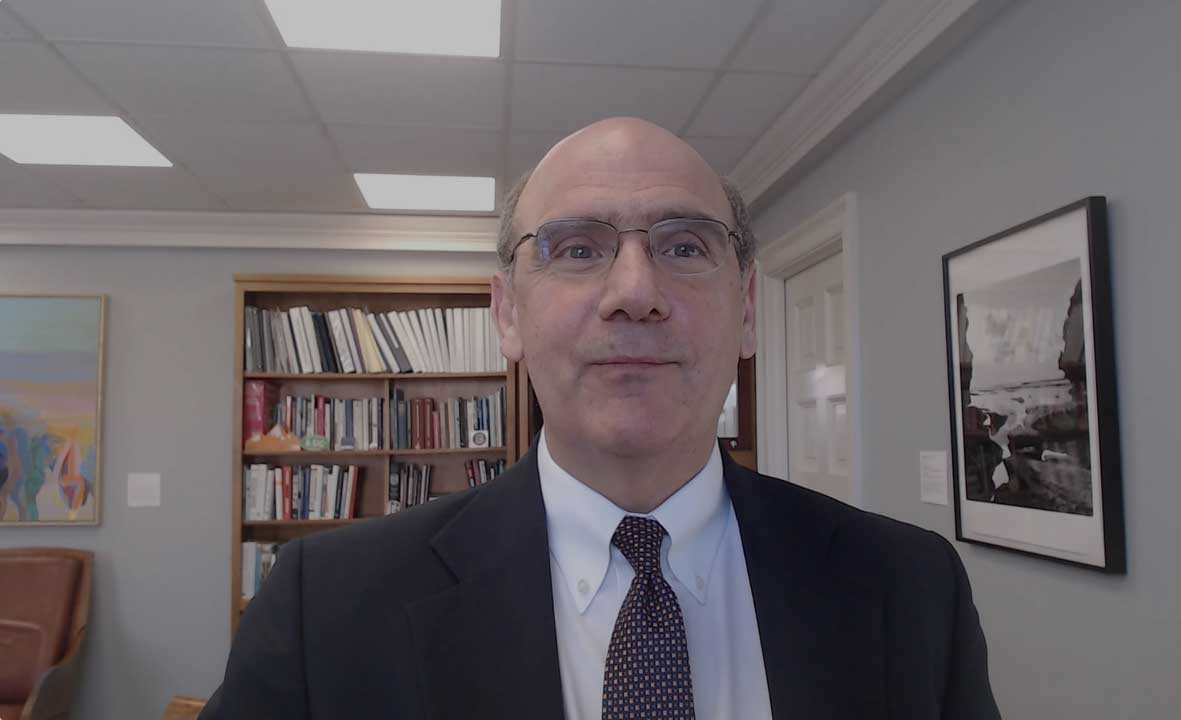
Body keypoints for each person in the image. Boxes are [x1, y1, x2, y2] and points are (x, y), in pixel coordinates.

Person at [201, 117, 1000, 719]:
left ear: (748, 308)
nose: (634, 291)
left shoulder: (910, 589)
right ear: (506, 314)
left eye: (686, 247)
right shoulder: (323, 609)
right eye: (577, 249)